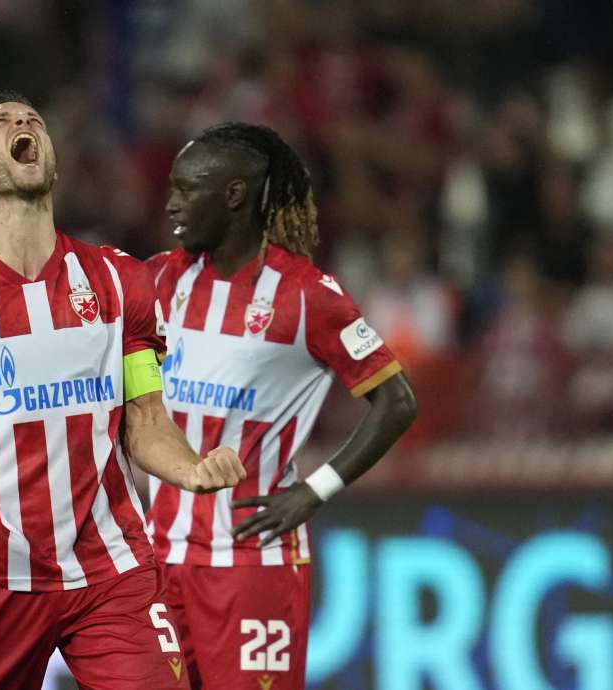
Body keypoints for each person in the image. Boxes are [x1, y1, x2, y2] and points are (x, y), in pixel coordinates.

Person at [0, 91, 247, 690]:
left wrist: (191, 472)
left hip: (111, 571)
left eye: (33, 118)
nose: (23, 123)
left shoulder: (121, 282)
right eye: (2, 122)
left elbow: (144, 421)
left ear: (52, 161)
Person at [145, 122, 418, 690]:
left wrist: (313, 491)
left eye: (186, 189)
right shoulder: (159, 281)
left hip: (251, 562)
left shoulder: (308, 296)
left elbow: (396, 401)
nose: (171, 203)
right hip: (157, 560)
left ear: (234, 196)